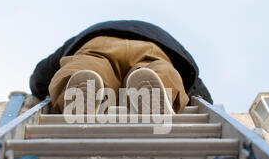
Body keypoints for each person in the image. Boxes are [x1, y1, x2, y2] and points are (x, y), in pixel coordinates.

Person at [29, 20, 213, 114]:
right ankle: (154, 89)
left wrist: (38, 87)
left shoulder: (92, 30)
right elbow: (193, 77)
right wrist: (202, 99)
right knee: (158, 69)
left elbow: (44, 71)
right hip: (152, 48)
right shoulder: (162, 34)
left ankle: (81, 88)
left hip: (98, 43)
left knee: (87, 66)